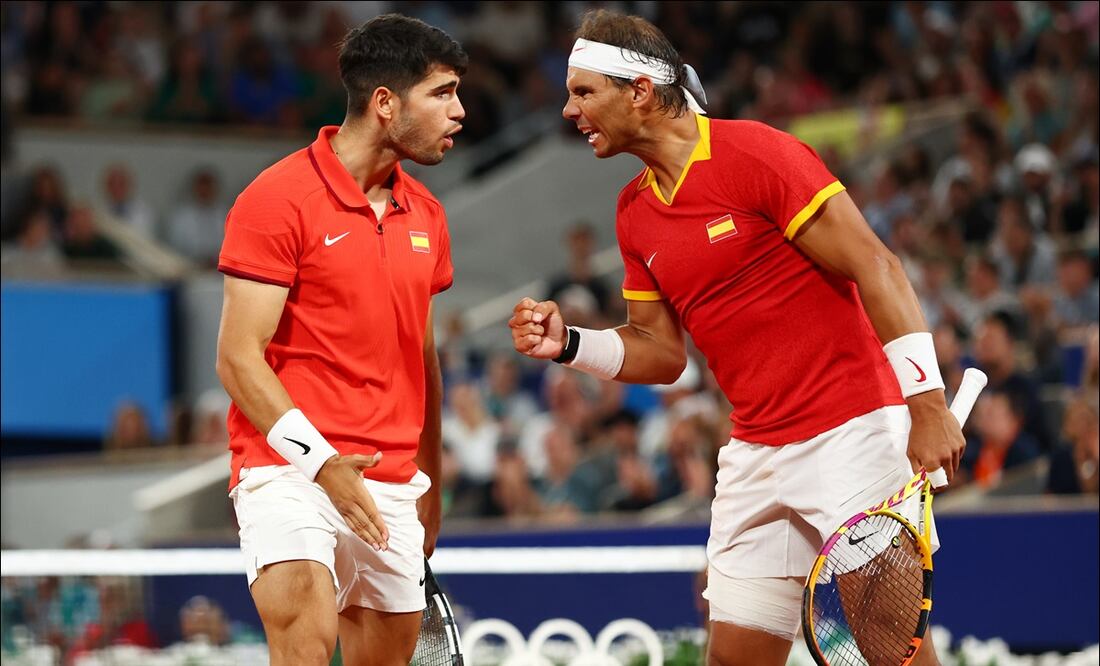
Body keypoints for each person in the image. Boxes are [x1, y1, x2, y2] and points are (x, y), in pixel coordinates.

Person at [508, 10, 964, 666]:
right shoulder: (633, 212)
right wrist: (570, 344)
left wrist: (926, 405)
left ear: (638, 90)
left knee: (893, 656)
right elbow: (661, 354)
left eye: (583, 92)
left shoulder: (756, 153)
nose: (567, 109)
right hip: (756, 450)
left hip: (853, 431)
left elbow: (876, 263)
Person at [215, 14, 465, 666]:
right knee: (304, 632)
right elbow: (238, 356)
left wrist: (432, 481)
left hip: (391, 481)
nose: (459, 111)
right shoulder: (277, 199)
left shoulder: (430, 218)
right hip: (290, 469)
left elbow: (423, 358)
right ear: (385, 103)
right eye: (442, 93)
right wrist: (322, 464)